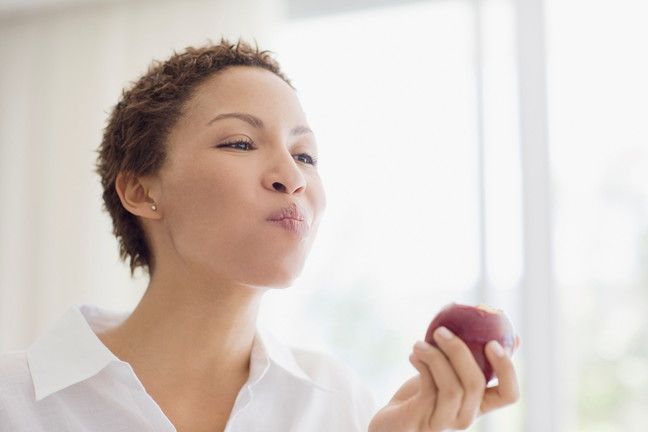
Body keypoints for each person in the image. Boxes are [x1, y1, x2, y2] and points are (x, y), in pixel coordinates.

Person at [0, 38, 520, 432]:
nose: (291, 176)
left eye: (305, 155)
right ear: (140, 190)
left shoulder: (339, 405)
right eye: (241, 143)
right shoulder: (15, 400)